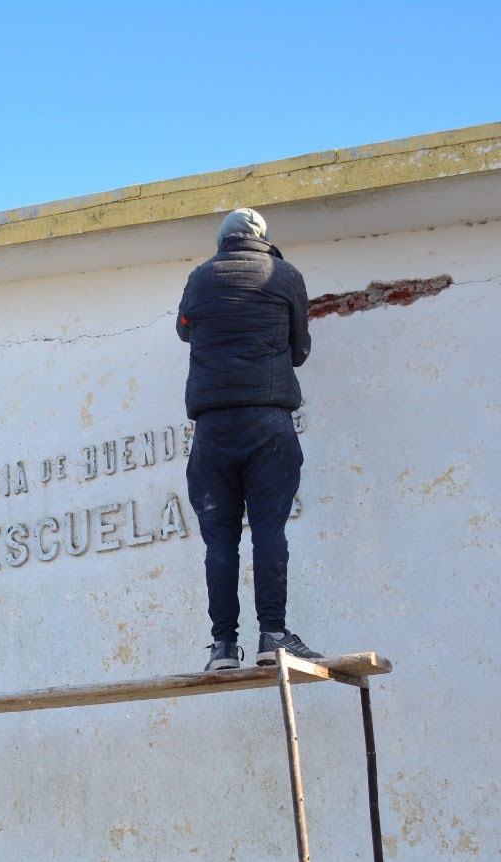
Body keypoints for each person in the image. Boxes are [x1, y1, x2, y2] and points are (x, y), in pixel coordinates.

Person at [177, 207, 324, 671]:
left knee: (219, 540)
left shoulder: (199, 279)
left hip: (213, 429)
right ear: (262, 237)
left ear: (222, 241)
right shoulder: (285, 275)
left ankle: (222, 646)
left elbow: (184, 332)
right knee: (268, 530)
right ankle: (273, 635)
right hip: (269, 424)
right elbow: (300, 349)